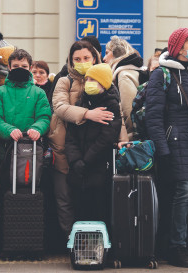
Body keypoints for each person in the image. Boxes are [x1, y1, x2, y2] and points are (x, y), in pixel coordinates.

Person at [49, 40, 127, 236]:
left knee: (96, 198)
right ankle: (72, 241)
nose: (82, 62)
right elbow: (59, 107)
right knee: (66, 197)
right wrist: (86, 114)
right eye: (77, 59)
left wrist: (122, 140)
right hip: (66, 146)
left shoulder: (106, 80)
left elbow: (117, 116)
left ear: (95, 58)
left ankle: (95, 241)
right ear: (71, 61)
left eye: (86, 58)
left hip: (95, 152)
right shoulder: (64, 80)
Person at [145, 27, 188, 268]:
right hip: (174, 141)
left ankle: (180, 243)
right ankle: (175, 247)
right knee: (183, 191)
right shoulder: (162, 74)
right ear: (179, 47)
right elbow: (153, 116)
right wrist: (162, 148)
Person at [65, 63, 122, 221]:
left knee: (98, 211)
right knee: (79, 212)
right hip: (78, 170)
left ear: (103, 83)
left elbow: (107, 137)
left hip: (98, 168)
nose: (88, 82)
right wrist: (76, 161)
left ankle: (98, 245)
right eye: (87, 78)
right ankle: (81, 244)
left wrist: (86, 161)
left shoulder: (111, 105)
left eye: (93, 79)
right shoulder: (81, 104)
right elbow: (71, 137)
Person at [0, 48, 51, 148]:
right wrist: (9, 130)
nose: (20, 69)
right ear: (9, 67)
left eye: (24, 66)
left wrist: (37, 129)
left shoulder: (39, 93)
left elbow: (44, 117)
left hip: (31, 148)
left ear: (30, 68)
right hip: (5, 148)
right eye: (15, 66)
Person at [104, 36, 146, 138]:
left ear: (117, 53)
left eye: (107, 53)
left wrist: (128, 136)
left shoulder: (123, 75)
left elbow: (128, 111)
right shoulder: (135, 71)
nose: (104, 58)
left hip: (131, 137)